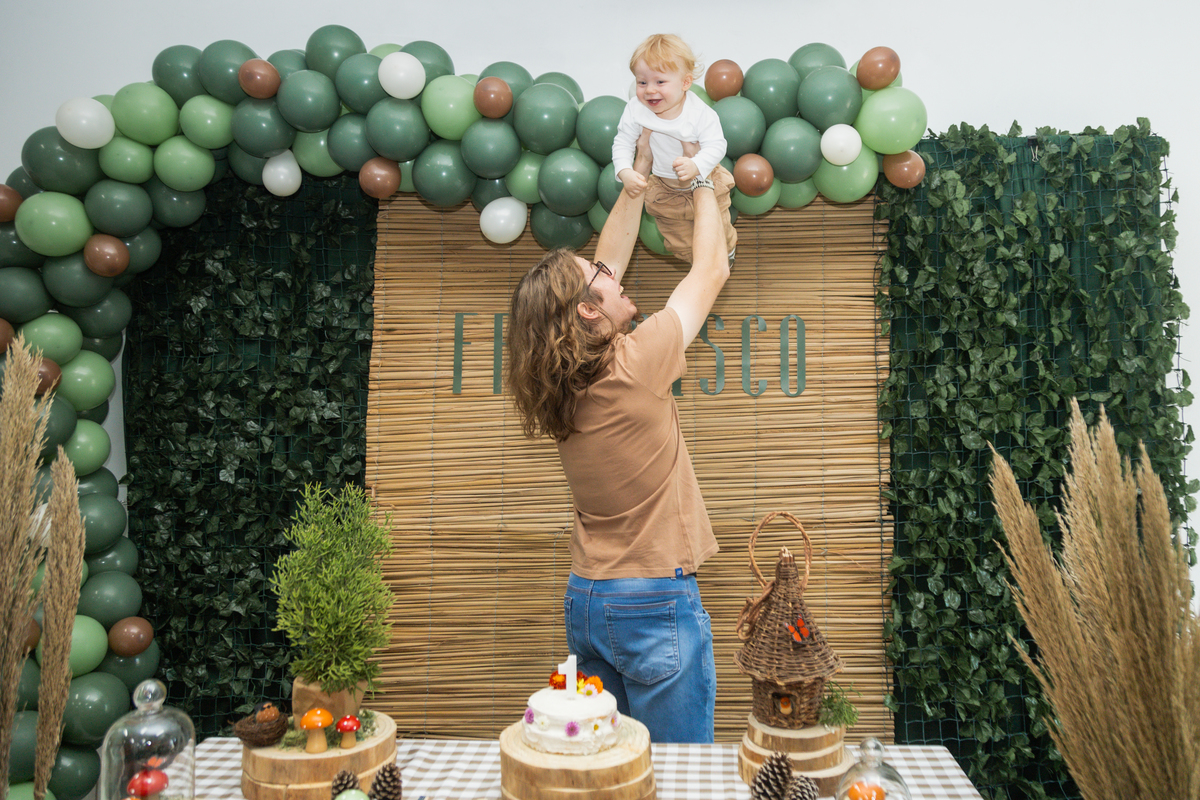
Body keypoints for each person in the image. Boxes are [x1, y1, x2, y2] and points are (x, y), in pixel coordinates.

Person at [506, 132, 730, 743]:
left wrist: (636, 178)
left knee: (611, 765)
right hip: (652, 600)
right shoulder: (636, 363)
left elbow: (608, 262)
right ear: (586, 311)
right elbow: (711, 268)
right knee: (680, 774)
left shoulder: (562, 383)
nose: (610, 271)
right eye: (597, 277)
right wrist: (704, 177)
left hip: (590, 601)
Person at [610, 33, 737, 265]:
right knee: (678, 242)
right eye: (642, 82)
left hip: (706, 181)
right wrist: (624, 171)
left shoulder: (699, 113)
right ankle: (698, 266)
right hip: (665, 190)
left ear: (685, 83)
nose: (649, 90)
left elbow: (717, 144)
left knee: (719, 228)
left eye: (660, 82)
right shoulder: (636, 109)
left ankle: (726, 252)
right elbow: (623, 141)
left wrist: (696, 164)